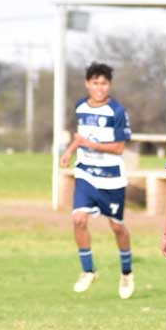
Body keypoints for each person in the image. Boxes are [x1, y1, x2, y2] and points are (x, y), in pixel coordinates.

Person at [59, 62, 135, 299]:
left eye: (104, 83)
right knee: (78, 219)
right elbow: (80, 137)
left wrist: (91, 145)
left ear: (109, 85)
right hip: (86, 172)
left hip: (111, 178)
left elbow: (119, 147)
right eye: (95, 83)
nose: (99, 88)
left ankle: (126, 273)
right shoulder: (81, 107)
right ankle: (88, 270)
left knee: (117, 227)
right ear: (87, 84)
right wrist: (70, 151)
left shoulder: (118, 111)